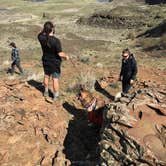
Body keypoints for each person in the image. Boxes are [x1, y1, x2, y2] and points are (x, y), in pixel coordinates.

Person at [38, 21, 69, 101]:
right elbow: (60, 54)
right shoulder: (56, 41)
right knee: (55, 79)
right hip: (55, 62)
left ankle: (46, 92)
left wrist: (44, 30)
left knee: (46, 76)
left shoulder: (41, 37)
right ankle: (56, 96)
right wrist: (66, 56)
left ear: (44, 29)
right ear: (52, 29)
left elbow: (40, 33)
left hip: (45, 60)